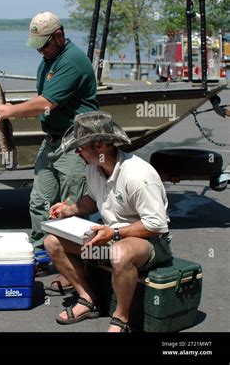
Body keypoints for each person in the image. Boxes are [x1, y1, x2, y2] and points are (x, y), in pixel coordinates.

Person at [0, 12, 98, 281]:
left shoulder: (72, 61)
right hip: (51, 141)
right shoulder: (48, 60)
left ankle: (77, 266)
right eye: (37, 45)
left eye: (45, 44)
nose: (40, 50)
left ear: (59, 35)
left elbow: (45, 103)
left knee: (71, 206)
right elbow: (43, 98)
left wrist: (10, 110)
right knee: (39, 201)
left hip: (75, 142)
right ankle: (43, 255)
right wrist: (12, 110)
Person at [44, 111, 173, 332]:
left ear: (100, 146)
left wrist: (113, 234)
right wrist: (69, 209)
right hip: (110, 238)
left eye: (81, 146)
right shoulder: (94, 169)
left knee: (119, 253)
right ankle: (87, 298)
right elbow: (93, 200)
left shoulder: (138, 176)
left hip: (151, 243)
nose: (77, 152)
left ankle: (121, 318)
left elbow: (156, 225)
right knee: (51, 242)